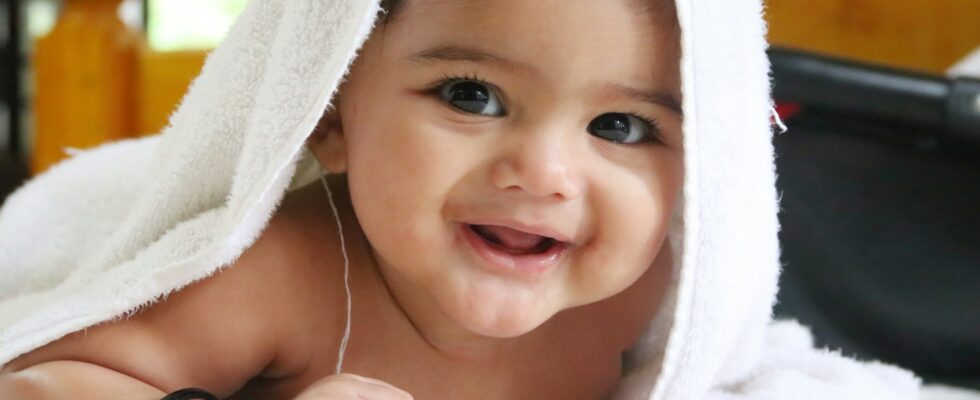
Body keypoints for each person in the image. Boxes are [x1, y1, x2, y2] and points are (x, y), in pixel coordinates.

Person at [0, 0, 925, 399]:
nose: (546, 173)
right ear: (329, 112)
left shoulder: (648, 301)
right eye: (472, 97)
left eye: (622, 127)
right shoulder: (277, 276)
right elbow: (53, 378)